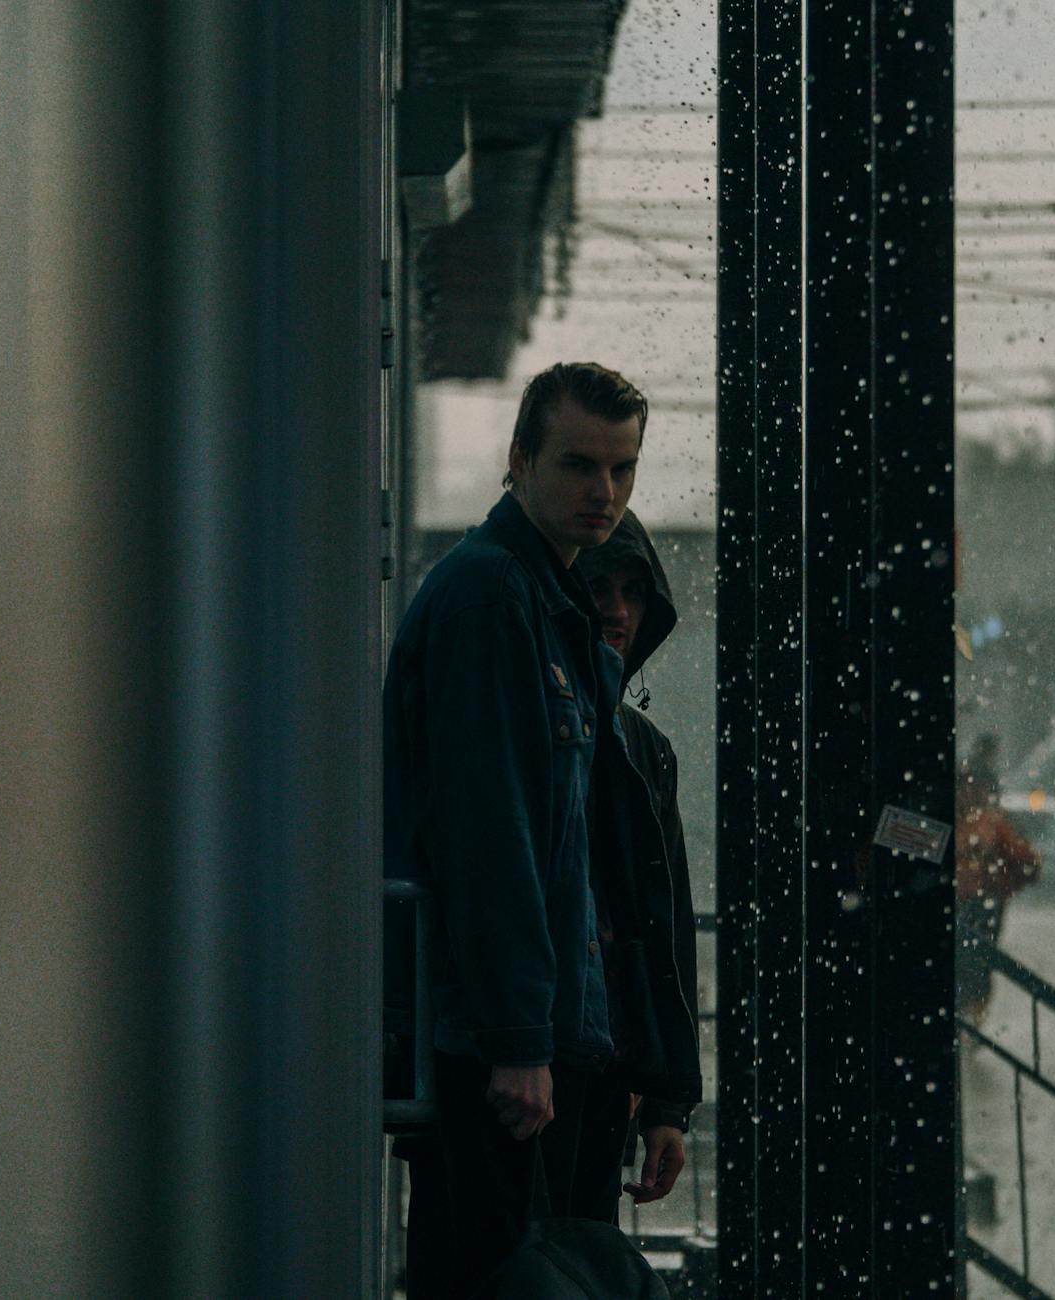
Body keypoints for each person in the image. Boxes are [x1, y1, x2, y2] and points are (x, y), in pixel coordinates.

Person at [386, 363, 697, 1297]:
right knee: (506, 1277)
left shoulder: (545, 608)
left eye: (622, 470)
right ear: (517, 461)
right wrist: (520, 1041)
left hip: (533, 1040)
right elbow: (492, 841)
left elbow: (591, 873)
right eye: (576, 465)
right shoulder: (493, 599)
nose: (602, 492)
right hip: (496, 1048)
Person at [573, 509, 701, 1207]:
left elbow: (665, 923)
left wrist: (666, 1102)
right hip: (543, 1062)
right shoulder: (544, 724)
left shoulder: (643, 747)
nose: (618, 613)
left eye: (633, 592)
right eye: (599, 591)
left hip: (602, 1069)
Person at [953, 751, 1041, 1029]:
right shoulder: (980, 823)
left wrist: (993, 875)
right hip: (973, 908)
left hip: (981, 908)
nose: (969, 792)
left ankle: (970, 1018)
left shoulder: (992, 824)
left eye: (975, 787)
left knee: (977, 966)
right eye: (965, 786)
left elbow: (1027, 864)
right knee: (974, 965)